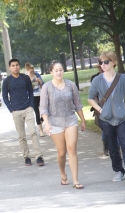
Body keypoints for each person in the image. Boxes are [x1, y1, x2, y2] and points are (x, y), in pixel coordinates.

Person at [40, 60, 85, 189]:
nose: (59, 72)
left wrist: (82, 120)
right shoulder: (47, 87)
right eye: (56, 70)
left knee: (72, 149)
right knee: (61, 152)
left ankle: (76, 181)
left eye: (61, 70)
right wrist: (47, 123)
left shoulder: (70, 85)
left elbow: (78, 104)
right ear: (51, 72)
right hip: (55, 122)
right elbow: (43, 108)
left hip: (70, 119)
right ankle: (63, 174)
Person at [88, 51, 125, 182]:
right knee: (112, 146)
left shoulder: (123, 78)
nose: (103, 64)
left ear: (113, 62)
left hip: (122, 118)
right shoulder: (97, 80)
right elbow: (90, 98)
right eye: (101, 62)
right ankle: (118, 171)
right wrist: (100, 109)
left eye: (106, 62)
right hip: (106, 118)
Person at [2, 58, 44, 166]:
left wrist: (31, 105)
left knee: (33, 132)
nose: (15, 67)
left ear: (19, 66)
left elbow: (30, 91)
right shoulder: (7, 81)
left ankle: (39, 156)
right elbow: (5, 97)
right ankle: (27, 157)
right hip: (16, 111)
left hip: (27, 109)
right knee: (21, 136)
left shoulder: (25, 78)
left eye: (17, 65)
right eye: (13, 66)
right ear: (9, 67)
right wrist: (11, 109)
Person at [90, 65, 109, 156]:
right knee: (105, 129)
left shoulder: (114, 77)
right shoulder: (95, 78)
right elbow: (93, 94)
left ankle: (116, 147)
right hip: (101, 107)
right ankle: (106, 145)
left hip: (114, 107)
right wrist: (98, 107)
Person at [25, 62, 45, 137]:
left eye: (33, 70)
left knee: (44, 110)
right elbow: (25, 89)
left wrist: (40, 81)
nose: (32, 71)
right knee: (37, 112)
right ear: (28, 70)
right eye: (31, 70)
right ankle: (41, 131)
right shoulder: (26, 78)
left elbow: (43, 84)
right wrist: (30, 86)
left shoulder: (37, 75)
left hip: (40, 95)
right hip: (33, 96)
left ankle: (41, 121)